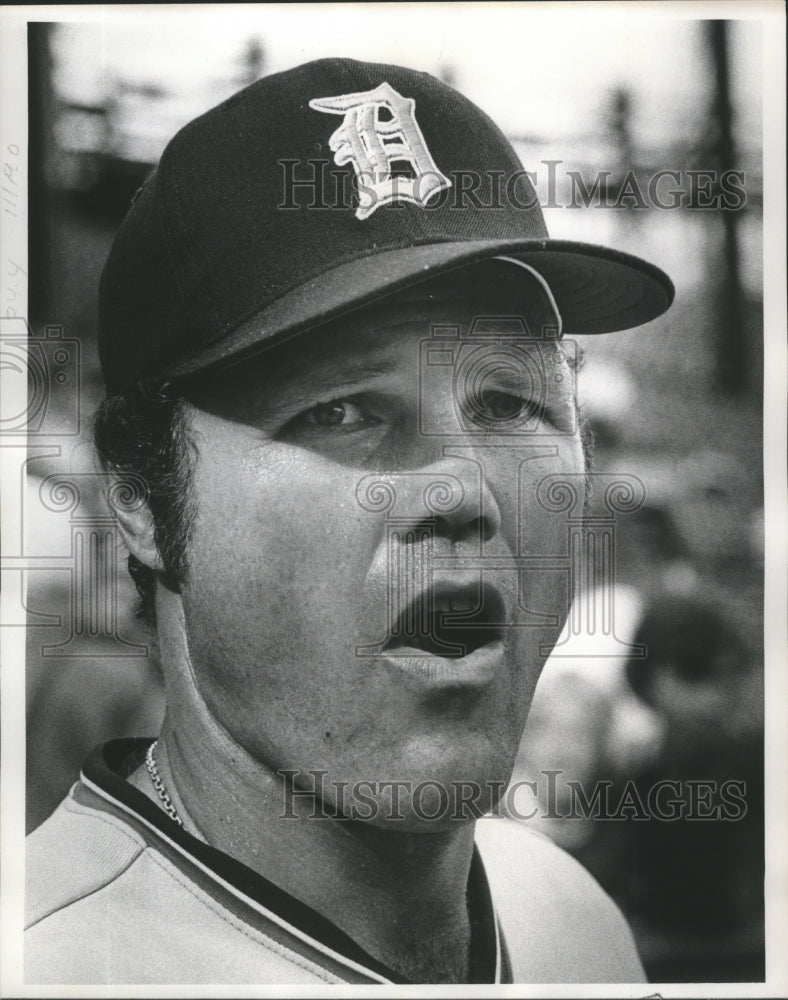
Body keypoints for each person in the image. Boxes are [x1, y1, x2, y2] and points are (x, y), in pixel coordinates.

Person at [24, 57, 673, 985]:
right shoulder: (49, 964)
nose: (462, 491)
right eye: (341, 410)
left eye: (509, 401)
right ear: (140, 500)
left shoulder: (575, 925)